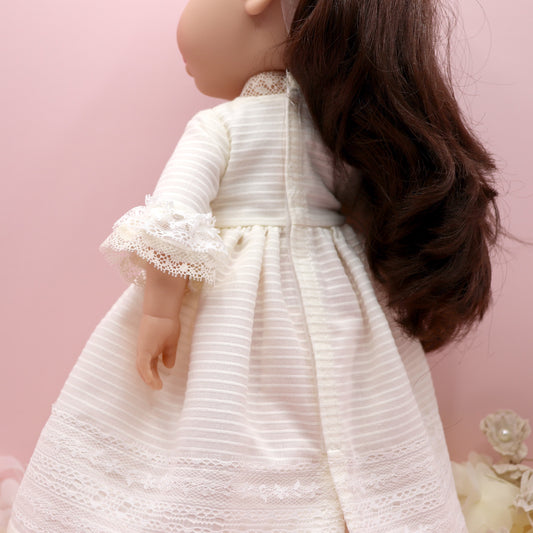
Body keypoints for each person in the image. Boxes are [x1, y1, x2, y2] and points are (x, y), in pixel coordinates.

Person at [9, 0, 500, 531]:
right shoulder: (336, 130)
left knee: (221, 422)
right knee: (337, 425)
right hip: (337, 302)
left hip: (229, 301)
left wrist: (160, 311)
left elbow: (175, 216)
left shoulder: (219, 127)